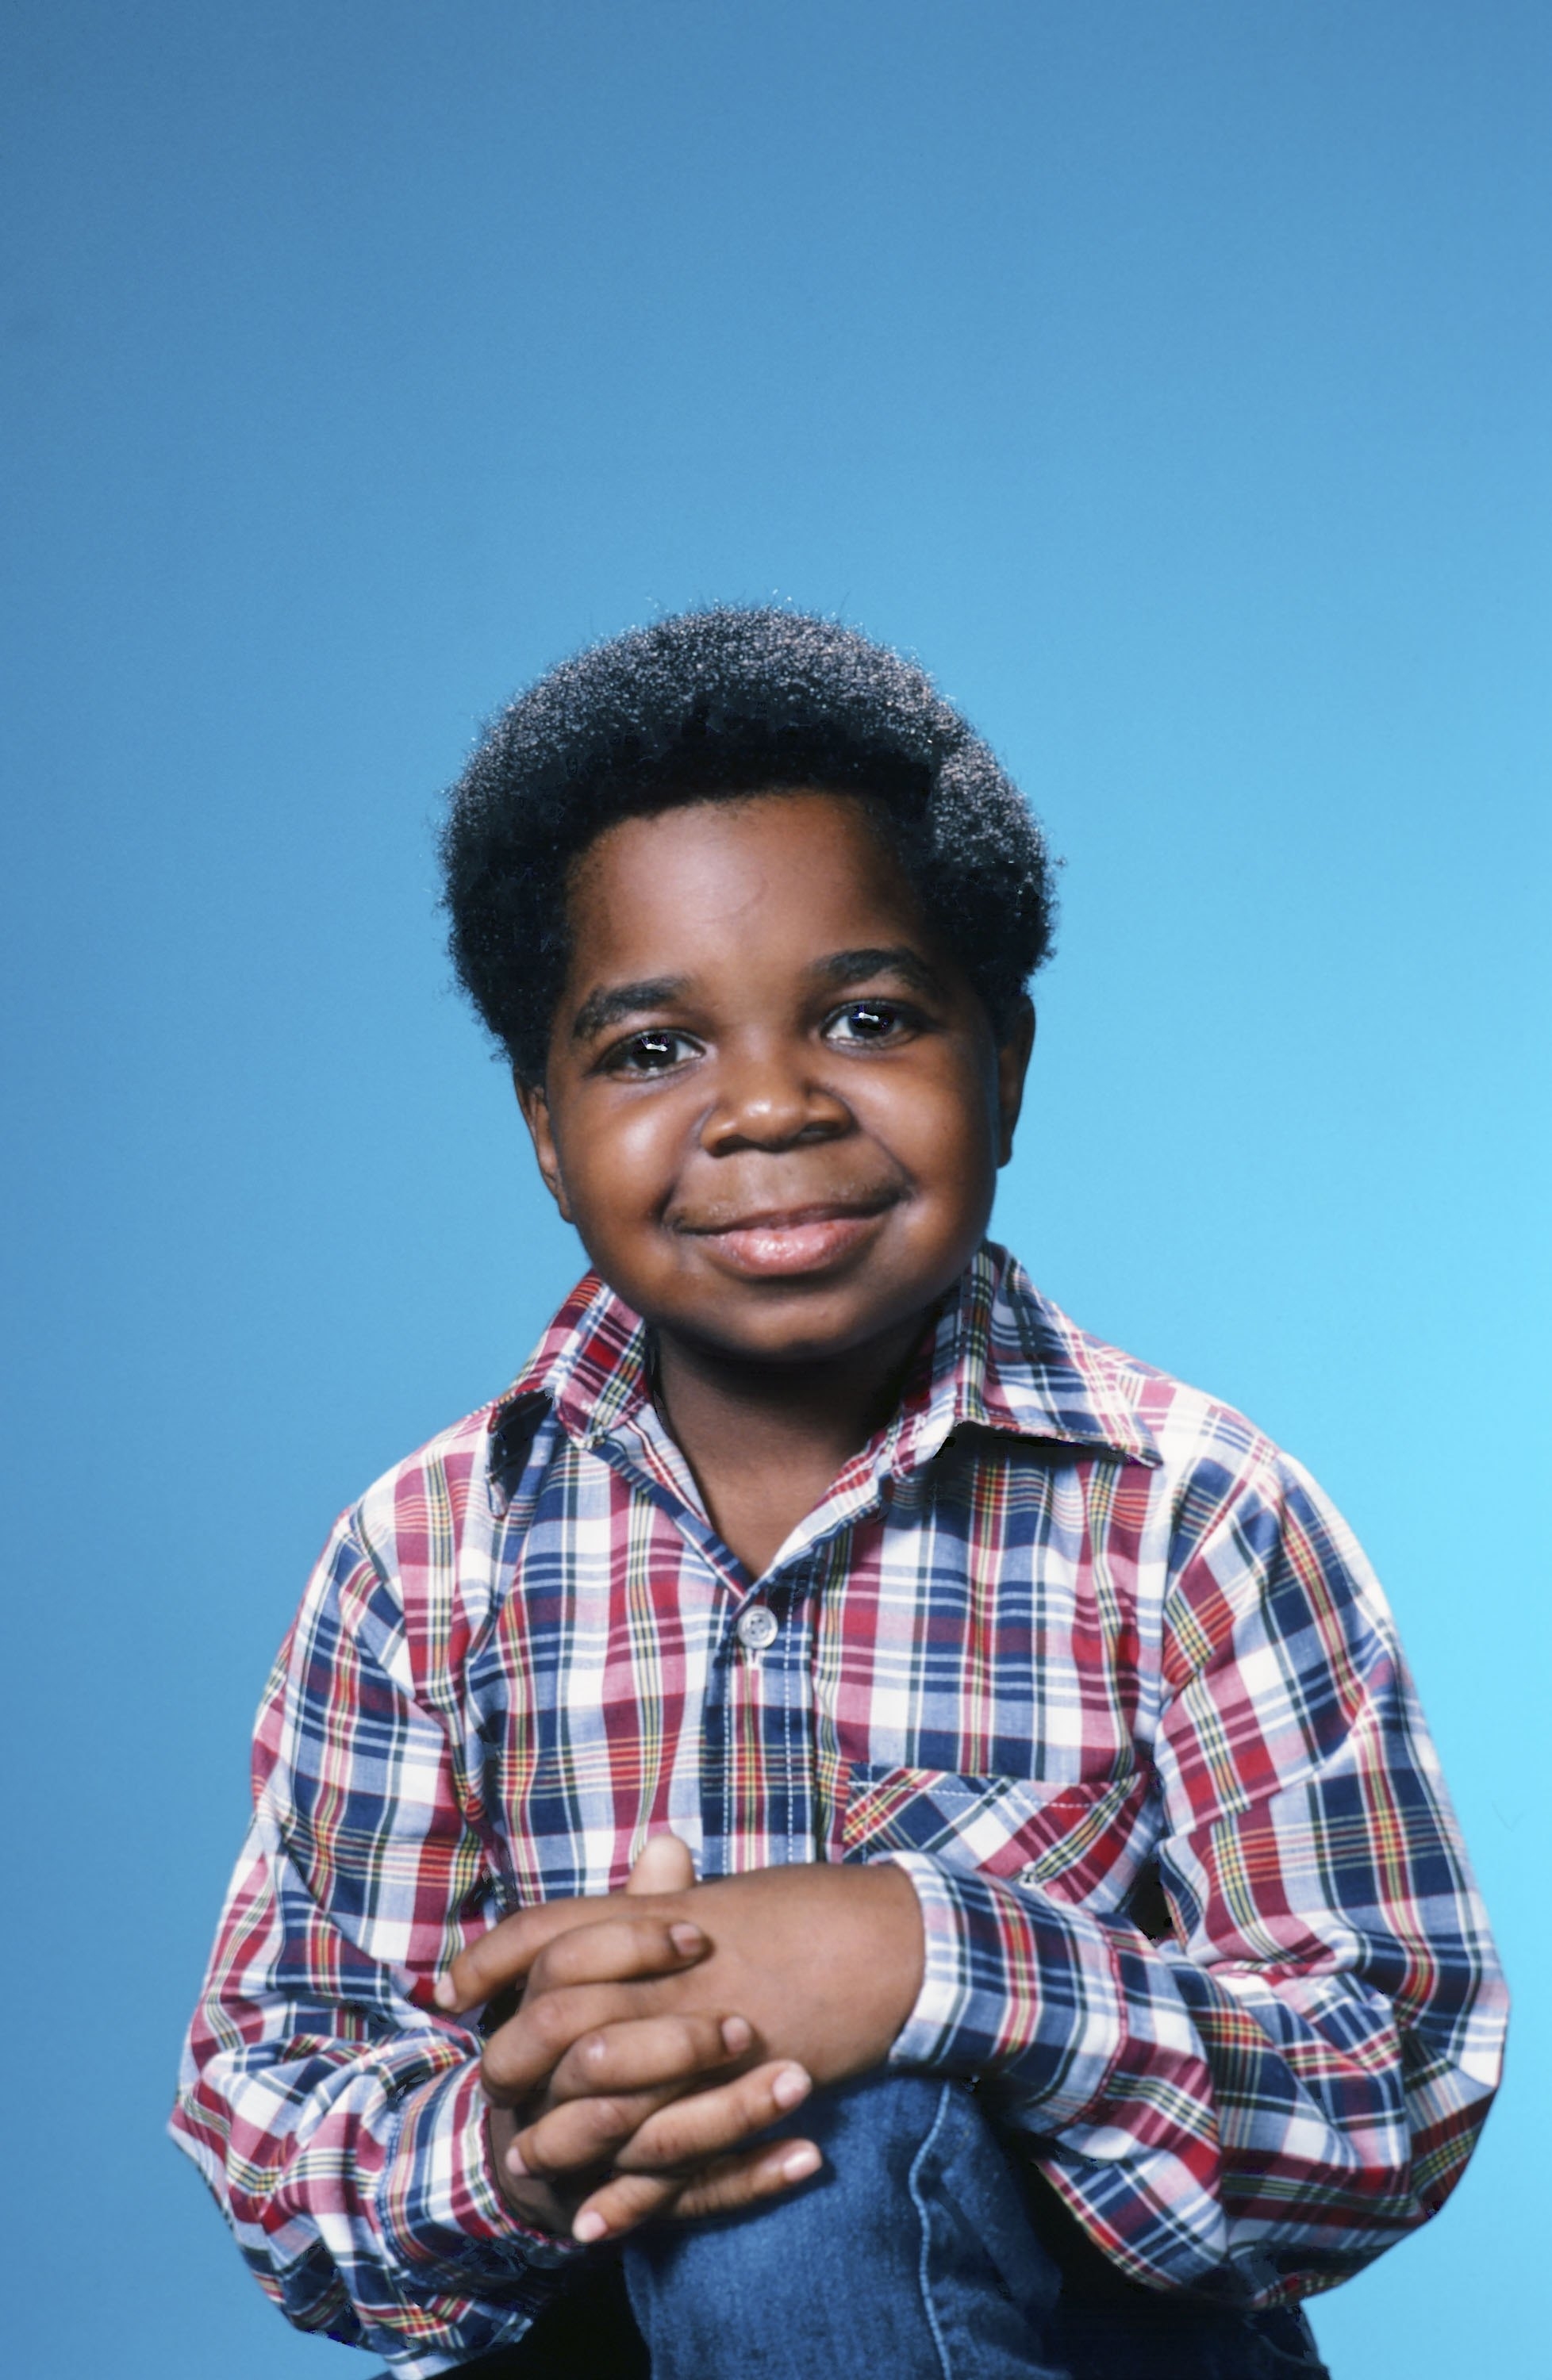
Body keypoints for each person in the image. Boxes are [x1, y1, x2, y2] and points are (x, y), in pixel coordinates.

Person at [171, 608, 1507, 2379]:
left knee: (832, 2155)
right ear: (545, 1127)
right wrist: (517, 2142)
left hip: (1089, 2343)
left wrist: (928, 1959)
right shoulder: (429, 1562)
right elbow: (278, 2103)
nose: (770, 1107)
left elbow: (1384, 2096)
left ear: (1004, 1063)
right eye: (652, 1050)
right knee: (713, 2176)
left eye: (866, 1017)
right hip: (592, 2330)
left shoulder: (1193, 1520)